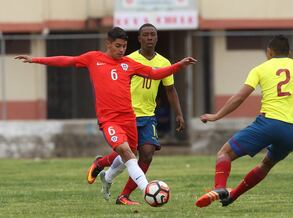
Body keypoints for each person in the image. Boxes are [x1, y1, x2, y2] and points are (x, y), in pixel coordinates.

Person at [14, 27, 196, 200]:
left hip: (128, 118)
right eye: (118, 46)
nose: (121, 50)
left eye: (124, 46)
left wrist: (179, 65)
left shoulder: (129, 64)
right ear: (108, 44)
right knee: (126, 151)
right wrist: (36, 59)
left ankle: (106, 176)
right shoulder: (93, 58)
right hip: (109, 120)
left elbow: (155, 74)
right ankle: (147, 189)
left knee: (129, 155)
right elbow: (66, 60)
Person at [194, 35, 293, 208]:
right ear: (290, 52)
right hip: (292, 132)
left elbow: (239, 97)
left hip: (268, 124)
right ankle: (233, 195)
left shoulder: (260, 69)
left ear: (269, 52)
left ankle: (219, 188)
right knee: (266, 165)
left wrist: (216, 116)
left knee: (224, 154)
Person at [87, 23, 185, 205]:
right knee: (128, 153)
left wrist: (178, 113)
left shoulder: (164, 62)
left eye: (153, 35)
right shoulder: (127, 59)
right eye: (145, 35)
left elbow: (170, 89)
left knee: (146, 154)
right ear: (139, 39)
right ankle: (102, 166)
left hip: (148, 115)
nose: (149, 38)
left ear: (157, 38)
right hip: (127, 114)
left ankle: (123, 194)